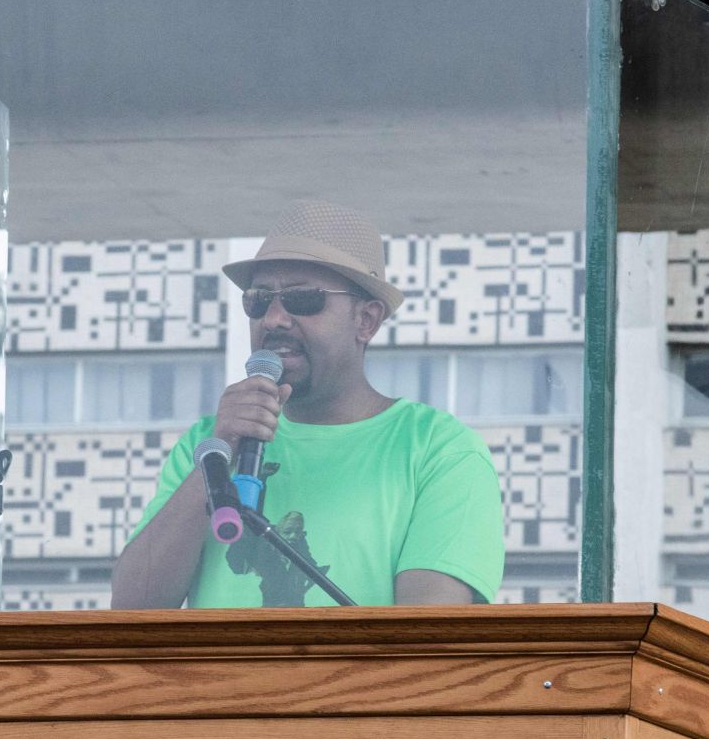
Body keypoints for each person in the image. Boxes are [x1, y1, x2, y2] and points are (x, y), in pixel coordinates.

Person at [111, 201, 506, 609]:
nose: (274, 319)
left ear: (366, 320)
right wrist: (221, 452)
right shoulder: (208, 445)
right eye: (259, 300)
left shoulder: (438, 450)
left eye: (303, 299)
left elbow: (428, 637)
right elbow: (132, 610)